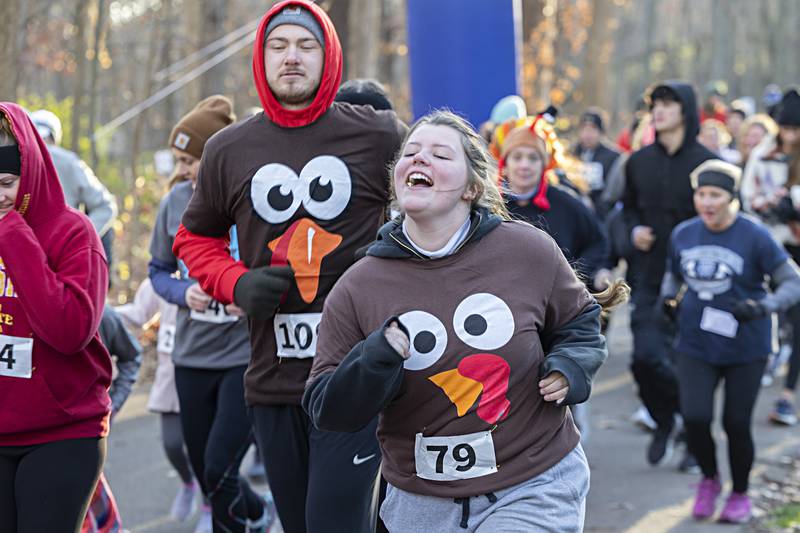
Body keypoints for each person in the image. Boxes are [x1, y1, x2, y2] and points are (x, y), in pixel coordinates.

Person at [303, 110, 627, 532]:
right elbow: (326, 407)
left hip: (532, 482)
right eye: (411, 153)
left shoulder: (527, 250)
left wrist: (569, 366)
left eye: (439, 154)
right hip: (421, 501)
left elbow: (579, 319)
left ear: (473, 186)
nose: (419, 160)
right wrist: (373, 361)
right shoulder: (359, 285)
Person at [172, 2, 407, 531]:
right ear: (261, 58)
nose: (292, 58)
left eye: (306, 46)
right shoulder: (228, 149)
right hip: (273, 378)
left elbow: (441, 200)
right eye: (279, 47)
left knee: (334, 523)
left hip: (357, 373)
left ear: (330, 56)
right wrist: (235, 282)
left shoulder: (379, 135)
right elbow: (194, 237)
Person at [149, 95, 275, 533]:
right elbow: (158, 271)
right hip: (191, 356)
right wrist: (185, 293)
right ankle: (257, 512)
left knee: (220, 466)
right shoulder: (174, 203)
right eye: (178, 160)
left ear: (217, 154)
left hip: (243, 356)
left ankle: (243, 522)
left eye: (190, 160)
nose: (181, 170)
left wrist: (248, 291)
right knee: (206, 470)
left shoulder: (252, 199)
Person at [661, 159, 800, 523]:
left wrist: (764, 305)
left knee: (736, 423)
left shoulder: (754, 235)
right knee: (694, 417)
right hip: (695, 342)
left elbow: (792, 280)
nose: (707, 202)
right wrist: (669, 300)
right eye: (701, 194)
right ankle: (709, 479)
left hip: (746, 347)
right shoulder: (684, 233)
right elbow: (672, 275)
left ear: (732, 198)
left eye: (715, 195)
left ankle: (739, 493)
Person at [0, 102, 111, 531]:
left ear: (30, 175)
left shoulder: (73, 233)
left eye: (7, 182)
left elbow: (68, 331)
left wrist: (13, 236)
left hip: (63, 431)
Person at [622, 81, 716, 467]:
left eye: (667, 104)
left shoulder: (707, 164)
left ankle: (694, 441)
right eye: (654, 104)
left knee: (689, 366)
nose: (658, 111)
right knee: (644, 358)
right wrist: (632, 232)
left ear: (686, 111)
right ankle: (665, 419)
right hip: (648, 276)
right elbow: (624, 210)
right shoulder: (638, 161)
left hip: (699, 282)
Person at [117, 267, 207, 528]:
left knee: (209, 454)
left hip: (206, 374)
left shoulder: (211, 274)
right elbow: (137, 315)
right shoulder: (162, 281)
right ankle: (188, 483)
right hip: (171, 378)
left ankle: (210, 506)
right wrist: (103, 311)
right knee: (172, 444)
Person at [741, 88, 800, 426]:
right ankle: (768, 359)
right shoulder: (766, 153)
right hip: (773, 244)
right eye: (786, 129)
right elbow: (750, 194)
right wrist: (771, 203)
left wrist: (793, 201)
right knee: (771, 307)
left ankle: (788, 393)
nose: (790, 136)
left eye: (796, 130)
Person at [29, 109, 118, 267]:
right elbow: (106, 206)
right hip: (62, 258)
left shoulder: (14, 158)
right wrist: (79, 240)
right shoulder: (69, 161)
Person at [570, 107, 621, 218]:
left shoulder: (613, 156)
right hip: (574, 211)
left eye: (593, 129)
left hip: (602, 215)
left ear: (601, 132)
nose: (587, 134)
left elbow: (612, 191)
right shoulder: (570, 154)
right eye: (584, 128)